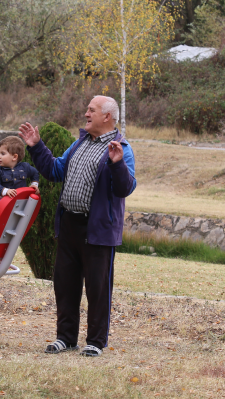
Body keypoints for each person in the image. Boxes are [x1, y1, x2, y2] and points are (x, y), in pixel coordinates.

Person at [18, 95, 136, 357]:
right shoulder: (79, 143)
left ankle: (96, 341)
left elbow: (125, 188)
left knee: (97, 288)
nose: (86, 114)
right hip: (69, 224)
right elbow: (55, 170)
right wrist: (36, 146)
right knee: (65, 285)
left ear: (107, 116)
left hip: (98, 230)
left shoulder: (122, 148)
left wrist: (117, 164)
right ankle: (66, 338)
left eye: (91, 110)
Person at [0, 136, 40, 263]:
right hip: (1, 204)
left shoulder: (25, 167)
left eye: (3, 153)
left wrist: (34, 184)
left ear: (14, 157)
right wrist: (5, 191)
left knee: (9, 230)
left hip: (17, 207)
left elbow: (35, 173)